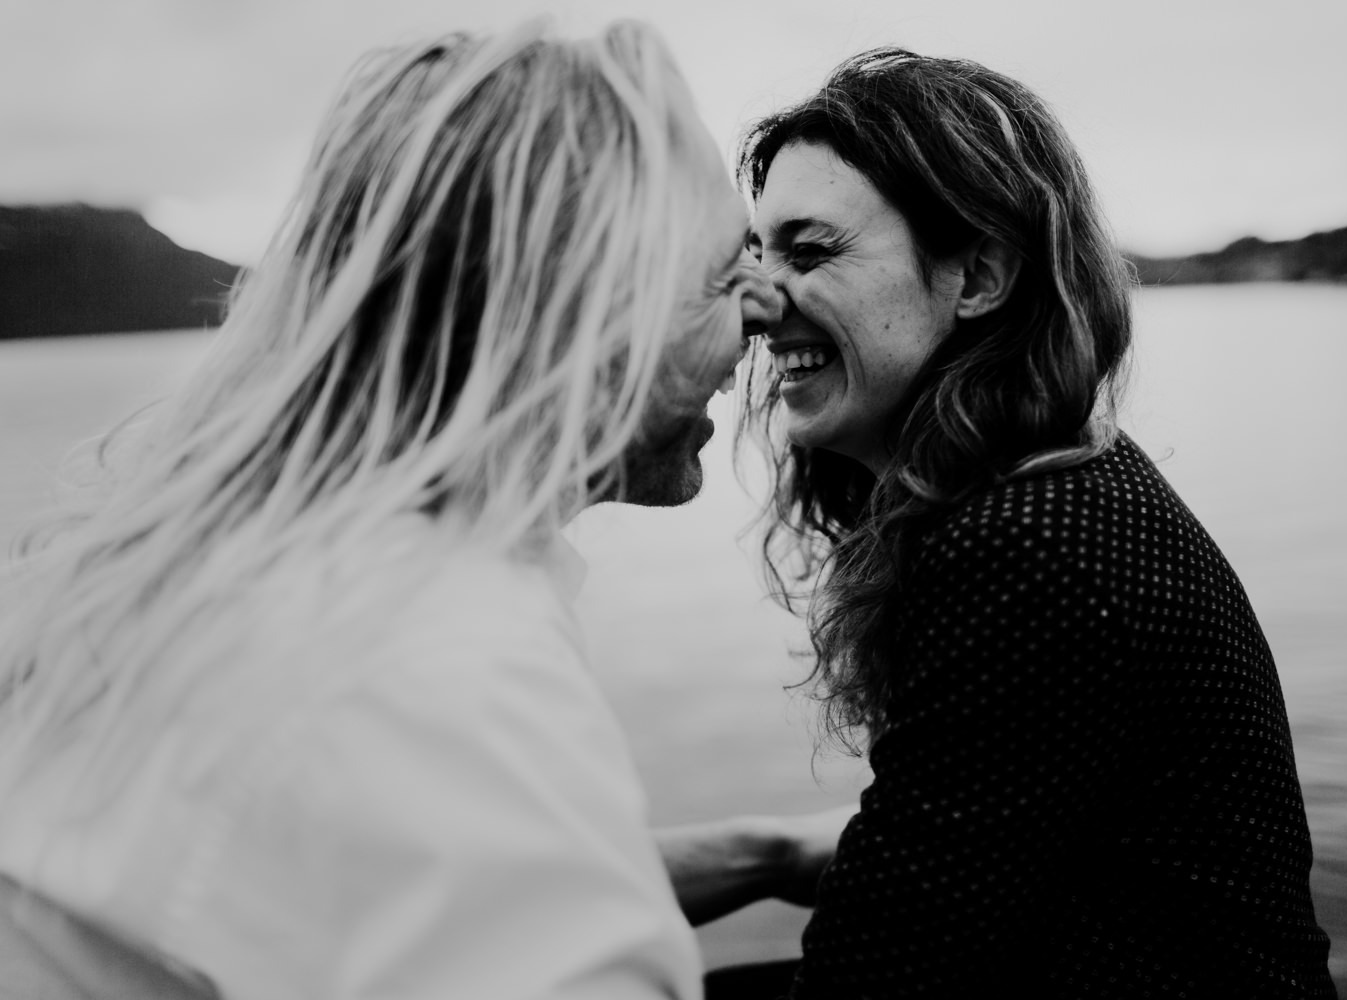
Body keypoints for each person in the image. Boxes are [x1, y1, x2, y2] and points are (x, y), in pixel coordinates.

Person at [0, 21, 783, 999]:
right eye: (720, 271)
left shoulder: (242, 561)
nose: (768, 306)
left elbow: (391, 877)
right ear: (578, 314)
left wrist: (767, 853)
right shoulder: (427, 662)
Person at [689, 48, 1339, 998]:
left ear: (981, 274)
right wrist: (766, 853)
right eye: (758, 252)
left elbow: (873, 979)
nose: (760, 302)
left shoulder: (1035, 545)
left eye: (811, 250)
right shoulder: (1055, 489)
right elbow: (996, 829)